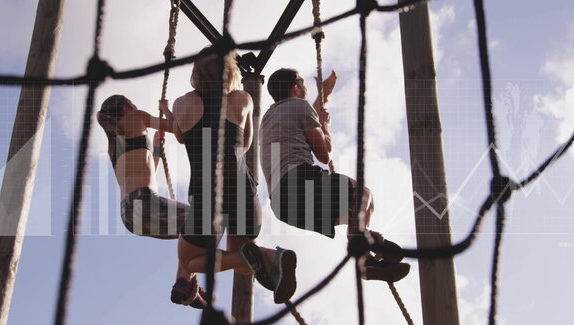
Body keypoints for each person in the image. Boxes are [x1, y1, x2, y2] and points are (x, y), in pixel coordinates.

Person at [170, 50, 297, 304]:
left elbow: (181, 136)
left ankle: (269, 257)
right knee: (241, 261)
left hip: (207, 192)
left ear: (196, 72)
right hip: (242, 189)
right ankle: (272, 257)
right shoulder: (243, 100)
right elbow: (246, 144)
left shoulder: (182, 104)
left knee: (189, 261)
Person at [260, 68, 405, 271]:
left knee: (356, 213)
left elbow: (308, 113)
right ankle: (360, 241)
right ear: (296, 88)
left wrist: (323, 95)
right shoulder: (300, 106)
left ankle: (365, 261)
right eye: (303, 84)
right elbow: (324, 153)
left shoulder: (270, 116)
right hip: (298, 183)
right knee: (363, 194)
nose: (306, 88)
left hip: (283, 205)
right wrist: (325, 126)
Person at [97, 95, 207, 309]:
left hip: (130, 214)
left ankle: (184, 283)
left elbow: (146, 170)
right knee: (205, 221)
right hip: (144, 202)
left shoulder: (115, 142)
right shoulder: (136, 117)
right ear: (128, 107)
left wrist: (156, 147)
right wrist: (166, 109)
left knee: (194, 232)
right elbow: (180, 128)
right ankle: (185, 281)